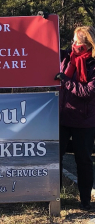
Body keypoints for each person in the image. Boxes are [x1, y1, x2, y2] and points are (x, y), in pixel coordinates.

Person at [55, 26, 95, 211]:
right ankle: (56, 198)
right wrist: (42, 22)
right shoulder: (66, 57)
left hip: (84, 121)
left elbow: (87, 91)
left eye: (77, 41)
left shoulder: (93, 65)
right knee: (57, 159)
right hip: (62, 118)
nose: (73, 44)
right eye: (72, 40)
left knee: (84, 161)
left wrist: (65, 80)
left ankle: (85, 201)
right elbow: (49, 45)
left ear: (87, 44)